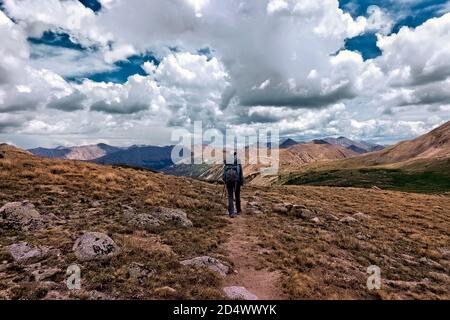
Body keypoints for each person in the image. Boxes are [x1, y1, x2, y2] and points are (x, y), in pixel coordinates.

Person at [223, 152, 244, 218]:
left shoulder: (227, 162)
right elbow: (240, 173)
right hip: (236, 181)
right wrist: (241, 181)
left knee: (230, 196)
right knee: (237, 195)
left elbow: (224, 173)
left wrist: (225, 180)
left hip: (228, 181)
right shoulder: (238, 162)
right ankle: (238, 210)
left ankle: (231, 212)